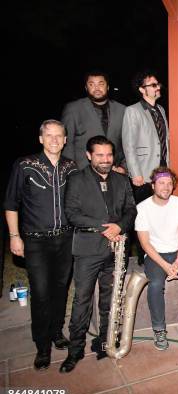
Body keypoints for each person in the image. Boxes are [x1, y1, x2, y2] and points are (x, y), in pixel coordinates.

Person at [4, 119, 78, 370]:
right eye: (49, 135)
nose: (55, 140)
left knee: (60, 289)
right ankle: (42, 345)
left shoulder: (72, 167)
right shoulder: (25, 165)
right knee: (42, 292)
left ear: (65, 140)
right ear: (40, 138)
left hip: (66, 239)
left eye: (59, 136)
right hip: (36, 240)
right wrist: (15, 236)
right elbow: (11, 203)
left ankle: (57, 332)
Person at [60, 136, 136, 373]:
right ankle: (75, 350)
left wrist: (120, 226)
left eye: (109, 155)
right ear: (89, 155)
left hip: (116, 249)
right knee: (82, 299)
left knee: (110, 299)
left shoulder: (122, 180)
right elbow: (71, 213)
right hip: (87, 249)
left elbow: (131, 210)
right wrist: (107, 227)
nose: (105, 160)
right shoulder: (76, 179)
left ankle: (104, 342)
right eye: (100, 155)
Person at [135, 167, 178, 350]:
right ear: (153, 185)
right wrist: (166, 266)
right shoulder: (142, 208)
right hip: (155, 255)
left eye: (169, 183)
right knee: (156, 284)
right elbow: (145, 244)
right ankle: (159, 329)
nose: (166, 187)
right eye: (161, 183)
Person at [62, 71, 127, 172]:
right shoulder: (73, 109)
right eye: (91, 84)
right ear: (86, 88)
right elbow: (67, 144)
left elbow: (128, 142)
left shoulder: (122, 110)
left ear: (108, 87)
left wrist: (124, 167)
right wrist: (71, 172)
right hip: (82, 172)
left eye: (101, 84)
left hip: (114, 172)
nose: (97, 88)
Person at [122, 70, 170, 204]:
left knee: (161, 209)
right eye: (153, 85)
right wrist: (135, 173)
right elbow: (129, 145)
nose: (158, 87)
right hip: (144, 171)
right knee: (144, 212)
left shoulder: (161, 109)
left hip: (163, 169)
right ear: (142, 90)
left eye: (158, 84)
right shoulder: (132, 111)